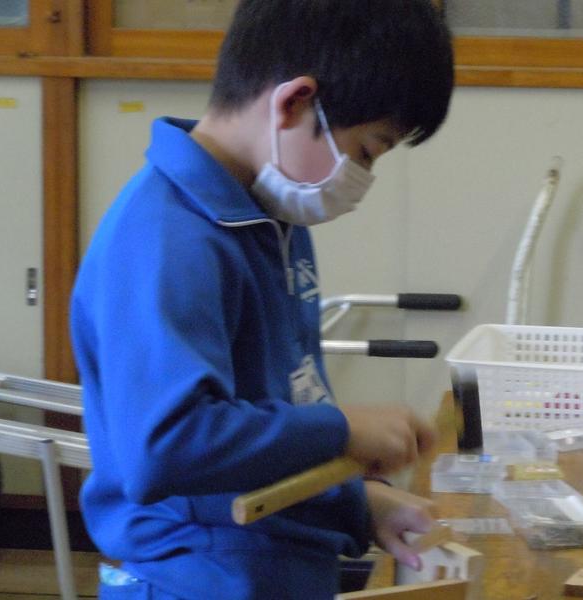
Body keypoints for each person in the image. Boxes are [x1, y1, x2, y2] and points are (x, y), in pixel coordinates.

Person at [70, 1, 454, 598]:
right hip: (198, 580)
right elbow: (166, 446)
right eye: (367, 151)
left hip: (268, 567)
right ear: (294, 103)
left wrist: (358, 502)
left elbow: (272, 415)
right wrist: (342, 430)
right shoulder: (166, 237)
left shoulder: (270, 215)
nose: (362, 179)